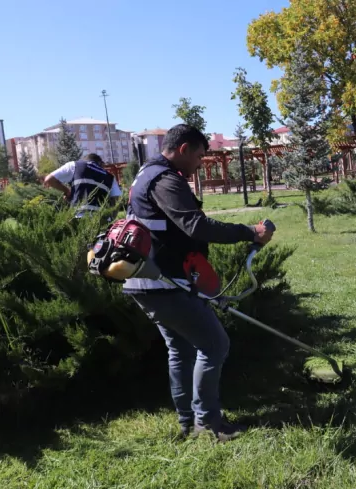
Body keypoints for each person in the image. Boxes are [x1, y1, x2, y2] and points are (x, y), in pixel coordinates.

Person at [122, 124, 273, 442]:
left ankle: (189, 422)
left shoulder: (147, 174)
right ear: (183, 149)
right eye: (200, 156)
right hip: (163, 282)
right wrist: (249, 232)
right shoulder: (164, 179)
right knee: (215, 344)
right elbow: (195, 225)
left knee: (180, 349)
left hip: (149, 279)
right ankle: (208, 424)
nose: (200, 163)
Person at [44, 153, 122, 217]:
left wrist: (67, 191)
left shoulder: (75, 165)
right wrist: (111, 218)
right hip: (100, 219)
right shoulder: (110, 177)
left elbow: (49, 180)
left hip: (78, 218)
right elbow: (116, 200)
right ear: (101, 163)